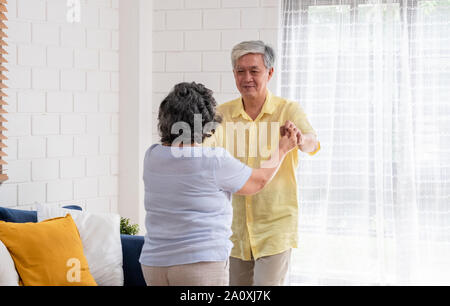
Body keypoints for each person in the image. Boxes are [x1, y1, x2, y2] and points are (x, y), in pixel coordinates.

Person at [139, 82, 302, 286]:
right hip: (199, 264)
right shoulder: (213, 160)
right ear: (205, 122)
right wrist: (282, 148)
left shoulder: (152, 155)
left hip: (154, 264)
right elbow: (258, 181)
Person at [208, 40, 320, 286]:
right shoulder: (221, 114)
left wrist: (300, 139)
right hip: (234, 229)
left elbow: (312, 141)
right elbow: (203, 149)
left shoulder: (287, 110)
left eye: (254, 70)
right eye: (240, 71)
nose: (246, 77)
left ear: (269, 73)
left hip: (275, 226)